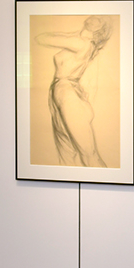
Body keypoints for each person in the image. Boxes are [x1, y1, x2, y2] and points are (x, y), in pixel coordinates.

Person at [35, 16, 114, 167]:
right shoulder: (85, 43)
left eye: (98, 19)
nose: (94, 17)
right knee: (68, 157)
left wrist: (71, 34)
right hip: (64, 93)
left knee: (89, 156)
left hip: (67, 95)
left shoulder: (80, 42)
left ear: (100, 29)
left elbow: (41, 38)